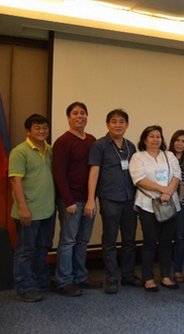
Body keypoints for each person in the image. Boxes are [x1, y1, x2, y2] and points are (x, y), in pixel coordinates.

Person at [88, 109, 143, 294]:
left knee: (129, 240)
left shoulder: (130, 146)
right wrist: (90, 200)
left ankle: (127, 275)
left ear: (126, 125)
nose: (118, 125)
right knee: (110, 240)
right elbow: (94, 173)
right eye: (114, 121)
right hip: (110, 198)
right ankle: (111, 278)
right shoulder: (100, 145)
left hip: (129, 198)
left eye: (121, 121)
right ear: (107, 124)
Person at [53, 102, 101, 297]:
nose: (79, 116)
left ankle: (80, 276)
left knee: (82, 240)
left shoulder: (91, 140)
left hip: (88, 199)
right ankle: (64, 281)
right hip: (71, 201)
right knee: (68, 241)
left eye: (83, 113)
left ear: (87, 116)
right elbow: (59, 174)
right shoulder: (63, 142)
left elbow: (95, 171)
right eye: (75, 113)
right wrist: (68, 200)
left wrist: (93, 198)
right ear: (68, 118)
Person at [9, 114, 56, 302]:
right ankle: (24, 288)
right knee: (25, 251)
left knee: (43, 248)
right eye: (37, 128)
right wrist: (23, 208)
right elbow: (15, 180)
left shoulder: (50, 150)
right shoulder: (19, 152)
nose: (42, 131)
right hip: (28, 212)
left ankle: (41, 280)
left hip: (48, 210)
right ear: (28, 131)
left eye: (45, 127)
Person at [130, 125, 181, 292]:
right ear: (144, 140)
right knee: (150, 242)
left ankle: (166, 276)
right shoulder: (138, 157)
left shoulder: (169, 155)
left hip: (169, 204)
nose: (155, 139)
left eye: (158, 136)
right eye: (151, 136)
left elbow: (177, 175)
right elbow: (139, 179)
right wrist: (162, 190)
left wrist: (169, 191)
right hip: (147, 205)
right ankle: (149, 278)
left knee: (167, 242)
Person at [168, 129, 184, 282]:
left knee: (178, 237)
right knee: (165, 237)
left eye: (183, 141)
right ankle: (165, 270)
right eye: (177, 140)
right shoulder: (165, 156)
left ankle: (177, 270)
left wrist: (177, 203)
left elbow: (183, 182)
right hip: (164, 202)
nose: (180, 143)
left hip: (181, 204)